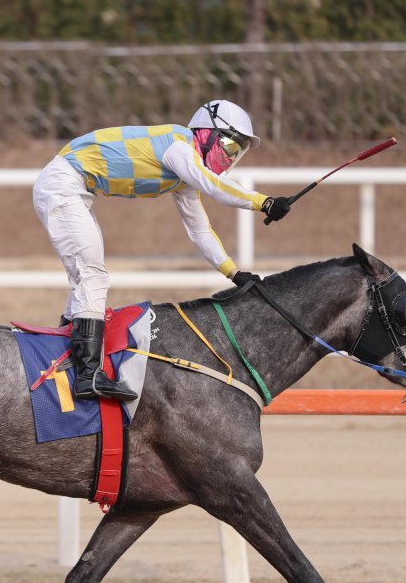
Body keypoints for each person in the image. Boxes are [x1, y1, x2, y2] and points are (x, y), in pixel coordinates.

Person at [32, 99, 293, 401]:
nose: (230, 157)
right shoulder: (178, 146)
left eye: (238, 152)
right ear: (206, 133)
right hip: (62, 184)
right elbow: (212, 185)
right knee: (92, 274)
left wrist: (234, 274)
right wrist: (264, 201)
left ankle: (67, 355)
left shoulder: (185, 174)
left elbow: (200, 231)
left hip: (73, 189)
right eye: (230, 146)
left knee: (87, 275)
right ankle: (87, 375)